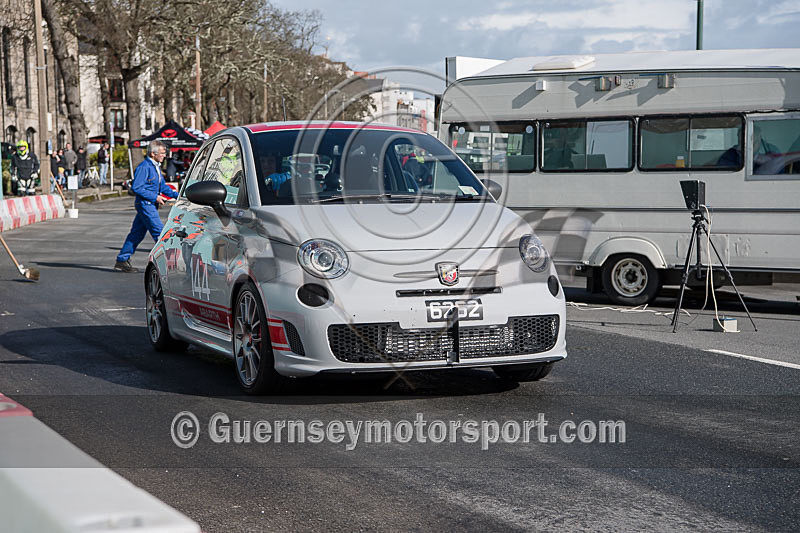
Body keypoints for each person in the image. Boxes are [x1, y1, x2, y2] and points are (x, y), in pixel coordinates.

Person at [114, 140, 178, 272]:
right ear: (153, 153)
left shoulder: (155, 166)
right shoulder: (145, 167)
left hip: (149, 205)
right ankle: (168, 264)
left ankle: (122, 259)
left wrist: (178, 195)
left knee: (136, 234)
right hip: (145, 204)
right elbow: (137, 187)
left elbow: (162, 187)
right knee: (160, 233)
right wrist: (155, 197)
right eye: (162, 153)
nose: (164, 155)